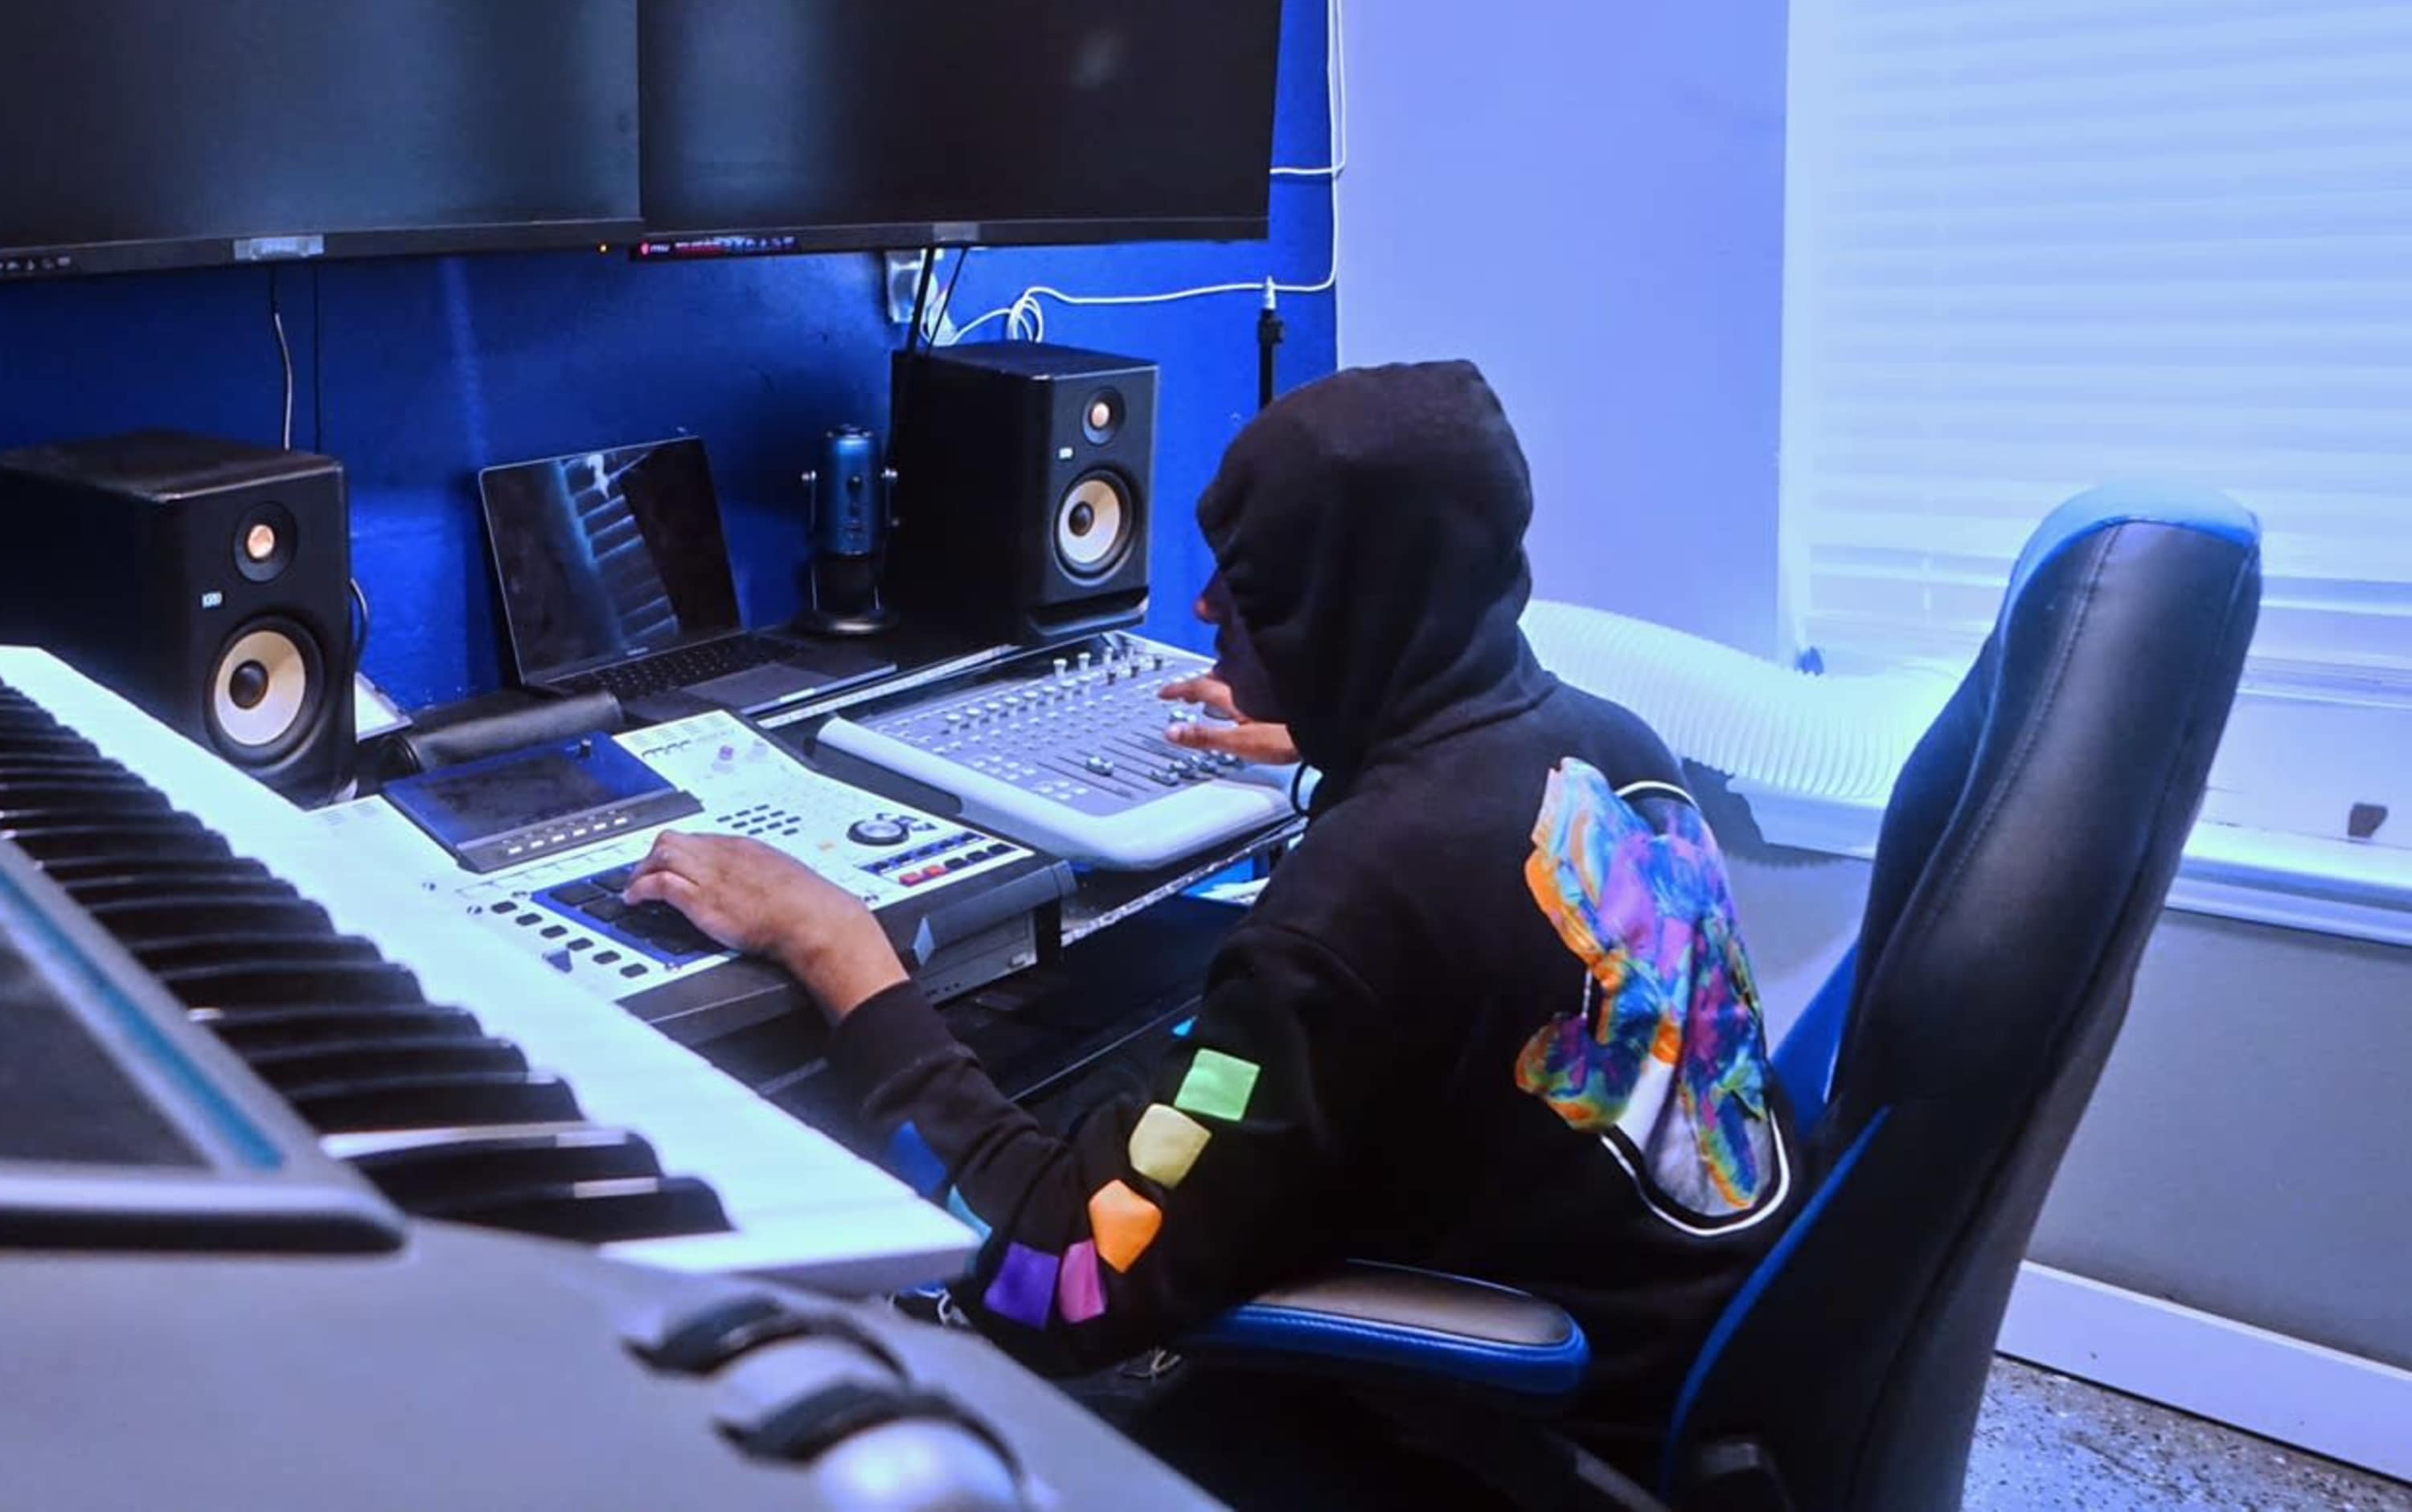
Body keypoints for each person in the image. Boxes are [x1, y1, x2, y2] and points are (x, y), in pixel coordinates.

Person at [622, 362, 1794, 1471]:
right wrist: (1347, 746)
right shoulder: (1604, 741)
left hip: (1526, 1437)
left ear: (1341, 609)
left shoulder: (1356, 910)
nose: (1205, 602)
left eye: (1255, 580)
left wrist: (847, 960)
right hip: (1702, 1344)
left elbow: (1063, 1279)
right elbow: (1462, 865)